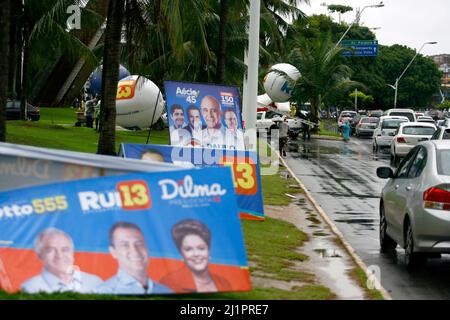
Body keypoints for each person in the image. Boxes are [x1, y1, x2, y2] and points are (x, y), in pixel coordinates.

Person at [95, 222, 173, 295]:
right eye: (125, 245)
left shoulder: (166, 291)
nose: (135, 251)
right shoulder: (104, 293)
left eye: (139, 244)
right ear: (113, 251)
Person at [21, 228, 102, 294]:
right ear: (39, 255)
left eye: (65, 249)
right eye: (50, 250)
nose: (59, 255)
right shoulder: (30, 289)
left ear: (73, 252)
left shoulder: (94, 282)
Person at [159, 219, 231, 293]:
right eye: (188, 249)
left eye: (201, 248)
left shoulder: (223, 283)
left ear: (208, 250)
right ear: (181, 253)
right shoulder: (168, 282)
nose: (196, 254)